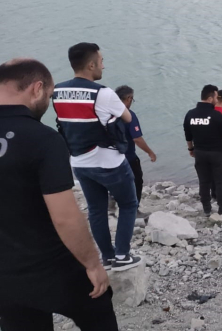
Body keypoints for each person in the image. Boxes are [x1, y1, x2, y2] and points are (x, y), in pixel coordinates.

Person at [0, 59, 118, 331]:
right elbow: (65, 217)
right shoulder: (43, 139)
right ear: (37, 89)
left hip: (4, 276)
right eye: (50, 96)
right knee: (98, 309)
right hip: (51, 267)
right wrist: (92, 264)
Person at [52, 42, 141, 271]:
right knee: (129, 204)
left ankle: (108, 258)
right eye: (101, 61)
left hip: (79, 162)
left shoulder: (58, 92)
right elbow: (128, 118)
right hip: (108, 161)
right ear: (91, 64)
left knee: (96, 210)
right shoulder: (103, 93)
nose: (104, 65)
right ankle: (122, 255)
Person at [184, 85, 222, 217]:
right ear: (209, 98)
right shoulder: (216, 115)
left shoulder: (190, 114)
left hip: (200, 153)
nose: (216, 99)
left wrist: (191, 148)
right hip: (217, 153)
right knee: (220, 181)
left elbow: (188, 134)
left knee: (204, 181)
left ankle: (207, 209)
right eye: (215, 96)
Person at [115, 85, 157, 214]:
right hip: (128, 157)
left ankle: (112, 202)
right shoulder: (129, 115)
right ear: (128, 98)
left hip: (110, 157)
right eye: (132, 99)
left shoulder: (108, 112)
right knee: (137, 181)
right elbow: (137, 139)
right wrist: (150, 152)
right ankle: (134, 209)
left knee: (115, 181)